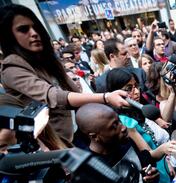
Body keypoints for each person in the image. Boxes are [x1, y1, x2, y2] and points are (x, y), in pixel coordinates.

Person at [0, 4, 129, 142]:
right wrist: (106, 97)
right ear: (9, 36)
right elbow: (54, 96)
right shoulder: (11, 67)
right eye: (23, 29)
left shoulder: (44, 58)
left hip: (81, 128)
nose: (33, 33)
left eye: (35, 27)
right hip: (59, 140)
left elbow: (73, 91)